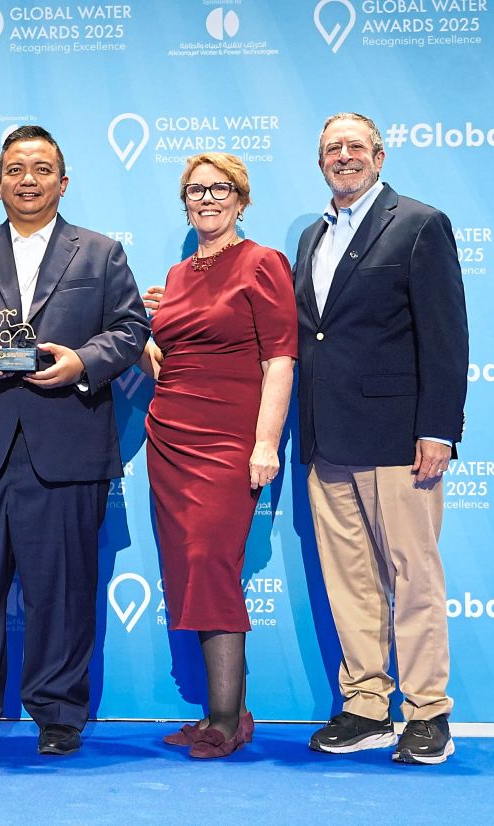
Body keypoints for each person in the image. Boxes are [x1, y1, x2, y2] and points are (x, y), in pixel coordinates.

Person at [0, 126, 149, 756]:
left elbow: (130, 328)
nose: (28, 179)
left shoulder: (100, 253)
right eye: (15, 169)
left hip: (66, 445)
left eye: (42, 169)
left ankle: (58, 713)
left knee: (65, 591)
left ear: (63, 182)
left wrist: (84, 362)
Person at [295, 113, 468, 764]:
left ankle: (428, 714)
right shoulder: (314, 236)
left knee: (413, 576)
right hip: (327, 437)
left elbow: (446, 336)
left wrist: (437, 429)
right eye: (331, 149)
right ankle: (367, 705)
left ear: (380, 155)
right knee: (351, 582)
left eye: (354, 146)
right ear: (321, 164)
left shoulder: (419, 224)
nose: (344, 156)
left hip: (400, 439)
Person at [140, 153, 296, 759]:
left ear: (241, 199)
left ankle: (228, 721)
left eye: (219, 188)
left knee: (211, 563)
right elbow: (167, 348)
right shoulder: (177, 277)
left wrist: (264, 444)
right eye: (195, 190)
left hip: (229, 440)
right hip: (170, 438)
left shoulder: (262, 263)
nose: (206, 198)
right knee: (188, 570)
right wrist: (148, 350)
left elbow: (279, 359)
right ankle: (216, 712)